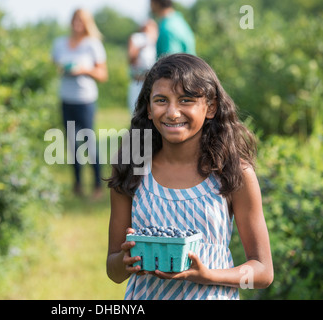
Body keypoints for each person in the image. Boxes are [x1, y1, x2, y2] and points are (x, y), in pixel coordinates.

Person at [105, 54, 273, 300]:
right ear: (149, 110)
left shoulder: (234, 173)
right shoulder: (132, 171)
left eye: (186, 100)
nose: (173, 113)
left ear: (211, 107)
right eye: (161, 100)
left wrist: (207, 275)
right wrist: (126, 258)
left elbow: (262, 271)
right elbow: (113, 271)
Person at [52, 9, 108, 199]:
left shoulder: (93, 45)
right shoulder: (59, 44)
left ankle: (97, 185)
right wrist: (65, 69)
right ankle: (77, 185)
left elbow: (102, 75)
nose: (77, 25)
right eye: (75, 20)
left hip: (85, 100)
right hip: (66, 99)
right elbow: (55, 66)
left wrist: (84, 70)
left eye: (81, 21)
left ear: (87, 23)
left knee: (89, 143)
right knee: (72, 144)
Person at [127, 19, 158, 115]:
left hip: (153, 82)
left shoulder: (157, 41)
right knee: (136, 113)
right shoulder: (136, 39)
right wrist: (141, 47)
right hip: (138, 81)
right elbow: (131, 59)